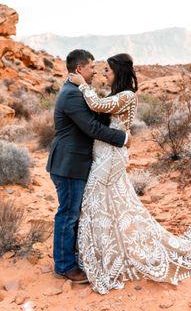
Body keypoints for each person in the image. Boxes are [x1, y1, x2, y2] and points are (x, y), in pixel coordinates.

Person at [68, 53, 191, 295]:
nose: (104, 73)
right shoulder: (117, 94)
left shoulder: (126, 95)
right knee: (104, 204)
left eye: (107, 70)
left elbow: (97, 106)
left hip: (111, 158)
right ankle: (105, 253)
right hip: (103, 155)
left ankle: (106, 258)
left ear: (118, 72)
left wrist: (84, 85)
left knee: (97, 202)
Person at [46, 49, 131, 283]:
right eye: (91, 66)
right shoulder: (72, 94)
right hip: (69, 164)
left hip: (73, 162)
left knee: (72, 212)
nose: (95, 70)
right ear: (79, 70)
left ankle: (71, 258)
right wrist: (123, 138)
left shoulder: (76, 91)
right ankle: (64, 267)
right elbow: (91, 128)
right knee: (68, 214)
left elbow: (95, 118)